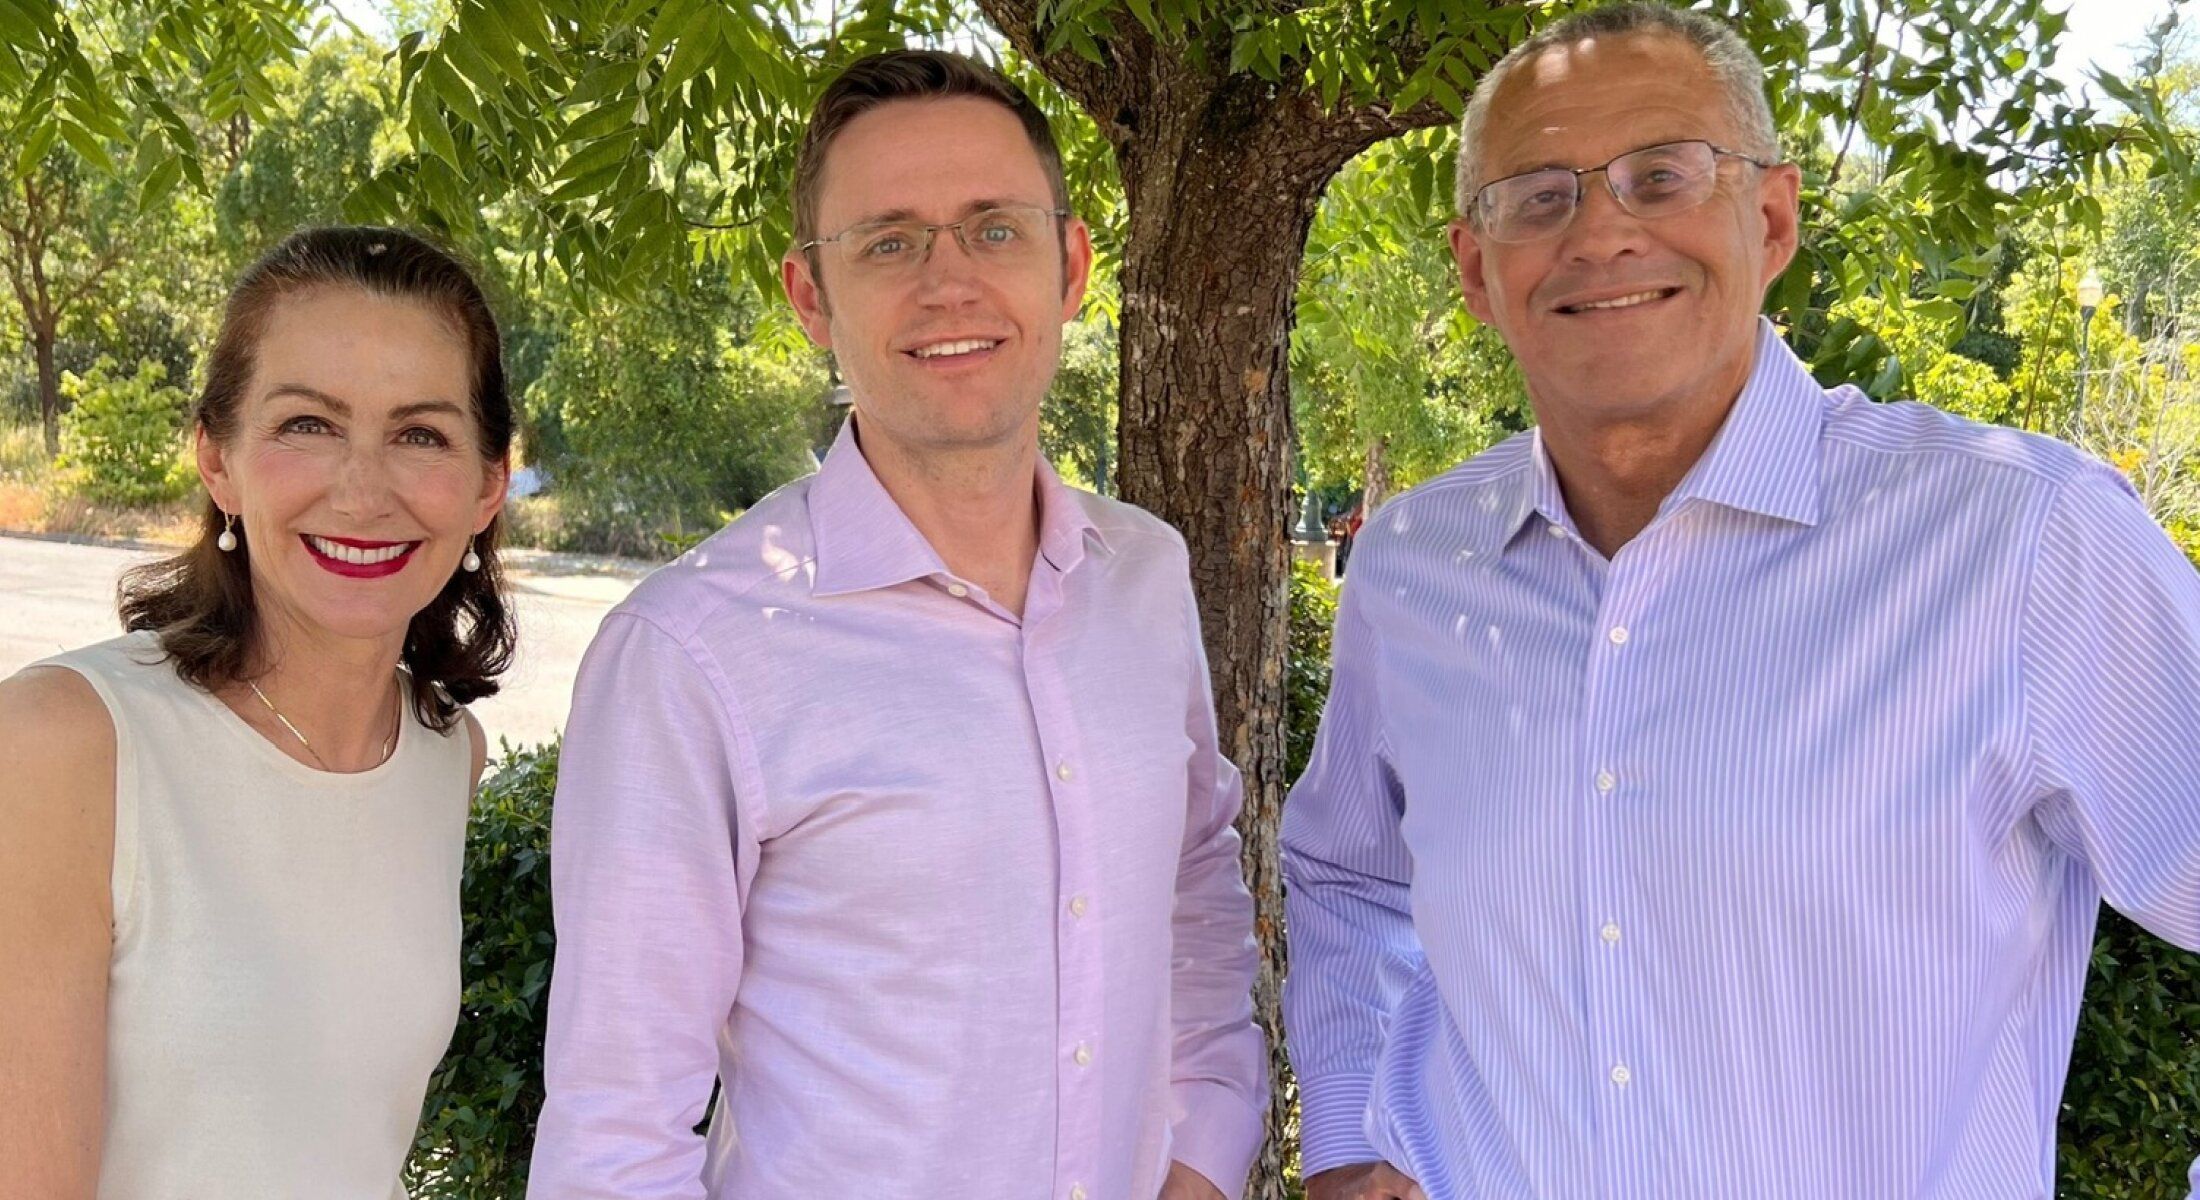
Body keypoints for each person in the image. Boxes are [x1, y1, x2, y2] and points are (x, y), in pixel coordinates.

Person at [1281, 5, 2200, 1199]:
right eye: (1540, 196)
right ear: (1474, 270)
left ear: (1769, 219)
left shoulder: (2022, 542)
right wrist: (1353, 1141)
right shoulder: (1413, 568)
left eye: (1660, 177)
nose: (1601, 232)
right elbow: (1351, 874)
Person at [530, 49, 1266, 1200]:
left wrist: (1202, 1158)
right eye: (887, 241)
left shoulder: (1144, 578)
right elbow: (614, 1137)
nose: (948, 282)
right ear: (810, 298)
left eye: (994, 229)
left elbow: (1194, 896)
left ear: (1070, 266)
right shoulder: (693, 652)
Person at [0, 226, 515, 1197]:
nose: (363, 490)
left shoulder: (448, 754)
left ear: (488, 483)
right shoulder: (62, 746)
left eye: (420, 434)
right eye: (307, 425)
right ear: (217, 459)